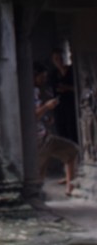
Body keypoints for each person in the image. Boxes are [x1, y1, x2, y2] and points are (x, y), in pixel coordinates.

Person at [34, 61, 79, 196]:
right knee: (38, 173)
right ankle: (36, 197)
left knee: (72, 151)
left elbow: (38, 114)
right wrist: (47, 106)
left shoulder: (36, 91)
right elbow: (32, 115)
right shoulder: (27, 92)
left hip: (44, 135)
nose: (44, 79)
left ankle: (69, 186)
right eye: (42, 77)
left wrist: (47, 118)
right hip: (37, 138)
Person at [49, 47, 78, 141]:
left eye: (60, 58)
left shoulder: (72, 71)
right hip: (59, 108)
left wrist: (68, 88)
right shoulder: (53, 74)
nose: (59, 61)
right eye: (56, 59)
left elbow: (79, 88)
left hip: (72, 106)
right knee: (62, 133)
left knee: (73, 131)